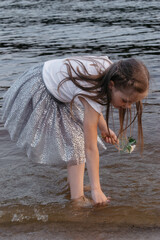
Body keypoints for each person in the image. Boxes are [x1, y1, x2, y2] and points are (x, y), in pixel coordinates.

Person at [2, 56, 149, 205]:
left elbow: (94, 104)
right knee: (78, 143)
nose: (127, 106)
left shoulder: (114, 72)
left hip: (49, 76)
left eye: (132, 103)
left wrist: (103, 128)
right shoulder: (97, 86)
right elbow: (90, 148)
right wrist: (96, 189)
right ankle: (77, 199)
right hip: (43, 87)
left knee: (76, 140)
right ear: (111, 85)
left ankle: (75, 190)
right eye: (125, 100)